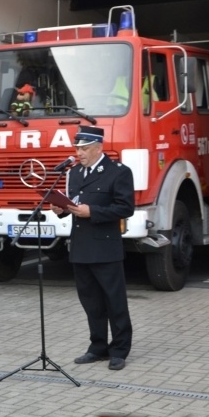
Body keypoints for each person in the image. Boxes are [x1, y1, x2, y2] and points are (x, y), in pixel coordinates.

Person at [50, 125, 135, 371]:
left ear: (99, 148)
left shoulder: (118, 172)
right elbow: (73, 204)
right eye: (77, 148)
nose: (80, 153)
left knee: (114, 301)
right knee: (91, 302)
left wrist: (93, 212)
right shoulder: (74, 173)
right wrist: (61, 210)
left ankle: (119, 350)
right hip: (80, 247)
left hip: (106, 248)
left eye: (85, 148)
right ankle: (98, 347)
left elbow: (125, 208)